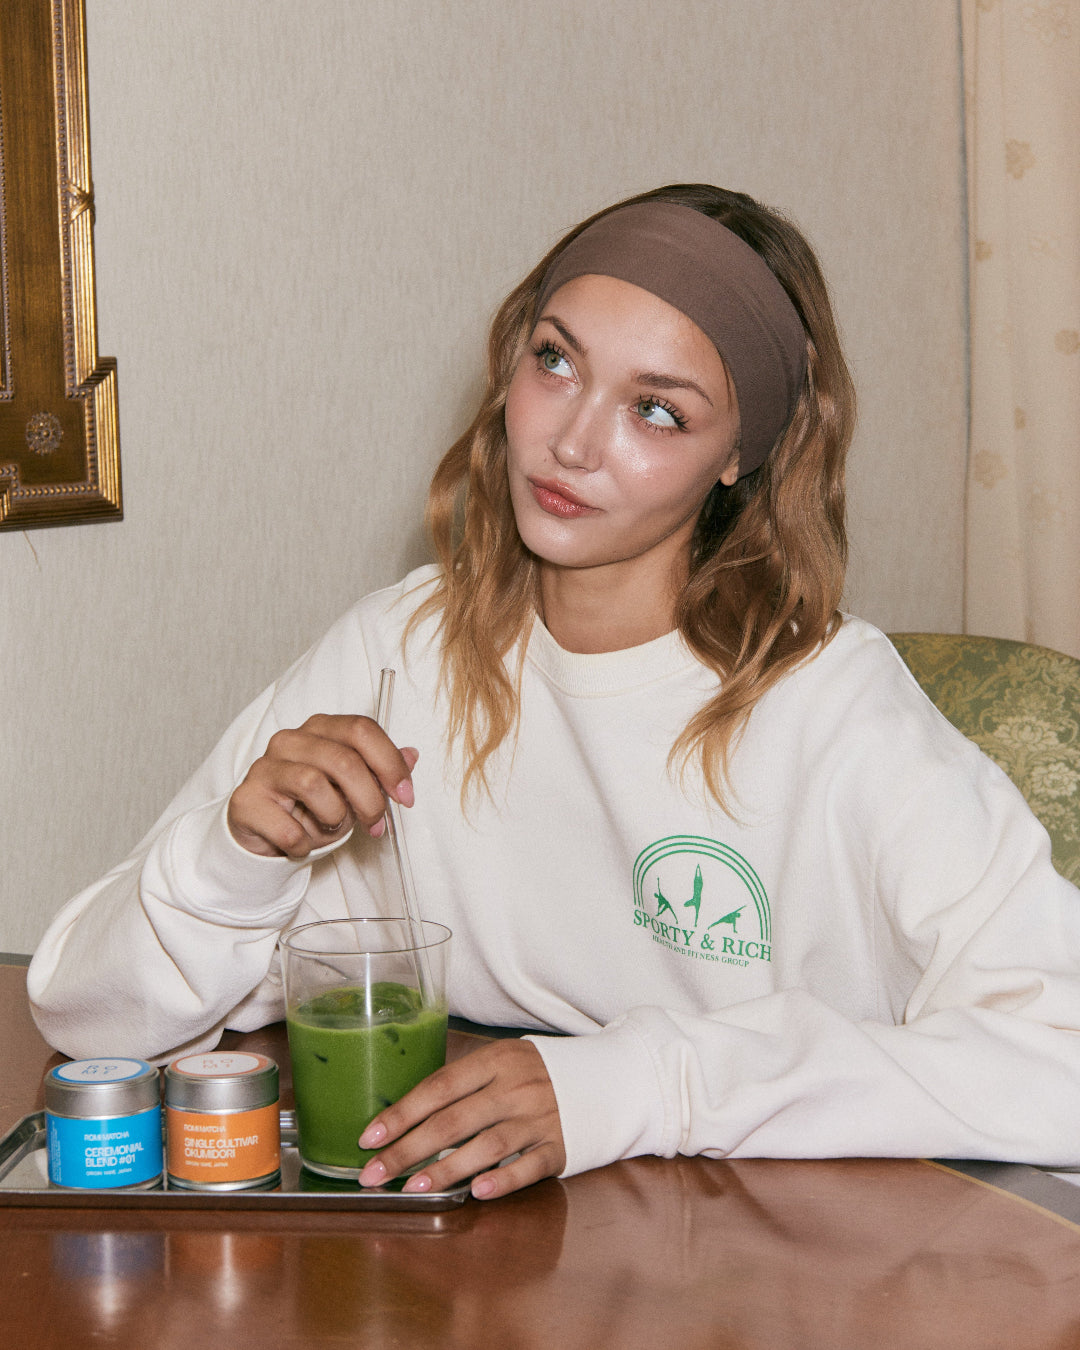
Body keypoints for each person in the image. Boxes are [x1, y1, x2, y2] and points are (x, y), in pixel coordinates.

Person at [28, 185, 1080, 1202]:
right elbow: (90, 1022)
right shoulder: (400, 651)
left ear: (740, 460)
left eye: (658, 411)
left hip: (783, 1271)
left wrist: (642, 1084)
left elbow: (1061, 1067)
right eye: (556, 360)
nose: (572, 442)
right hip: (484, 1264)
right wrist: (232, 861)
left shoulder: (830, 706)